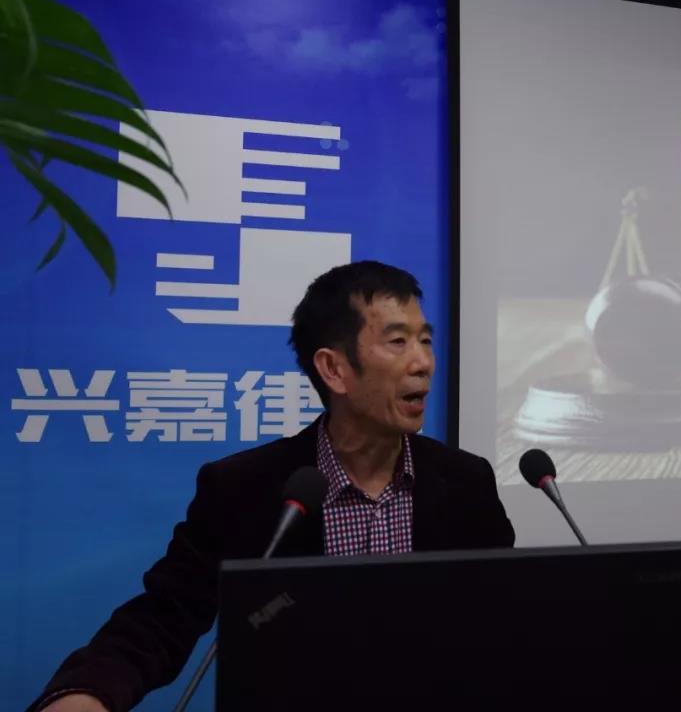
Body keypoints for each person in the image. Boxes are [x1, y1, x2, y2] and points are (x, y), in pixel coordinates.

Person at [30, 261, 515, 712]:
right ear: (334, 369)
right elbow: (164, 616)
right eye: (398, 342)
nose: (424, 362)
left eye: (425, 340)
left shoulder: (465, 484)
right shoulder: (244, 488)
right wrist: (87, 692)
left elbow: (503, 622)